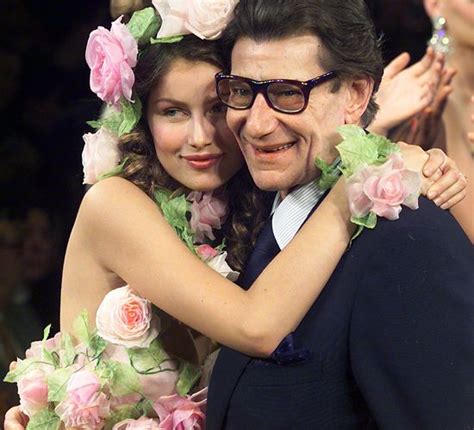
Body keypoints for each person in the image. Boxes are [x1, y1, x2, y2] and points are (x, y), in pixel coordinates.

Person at [3, 2, 468, 429]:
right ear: (141, 118)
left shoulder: (249, 212)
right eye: (172, 112)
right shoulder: (115, 205)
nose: (203, 136)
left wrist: (393, 151)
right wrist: (361, 180)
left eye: (220, 104)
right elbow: (256, 326)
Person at [204, 0, 474, 428]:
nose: (255, 124)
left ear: (356, 95)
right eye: (240, 91)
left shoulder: (407, 241)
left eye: (288, 93)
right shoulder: (252, 217)